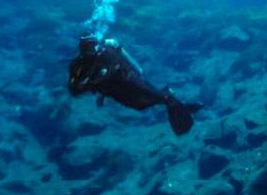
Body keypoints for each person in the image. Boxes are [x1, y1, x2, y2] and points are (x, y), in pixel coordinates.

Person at [68, 35, 202, 135]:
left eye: (91, 46)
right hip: (115, 90)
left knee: (155, 98)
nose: (89, 50)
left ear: (95, 44)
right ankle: (175, 101)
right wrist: (87, 85)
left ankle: (176, 106)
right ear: (81, 48)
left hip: (129, 80)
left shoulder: (106, 53)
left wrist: (93, 81)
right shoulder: (77, 65)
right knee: (140, 105)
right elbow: (73, 90)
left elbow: (115, 68)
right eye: (86, 47)